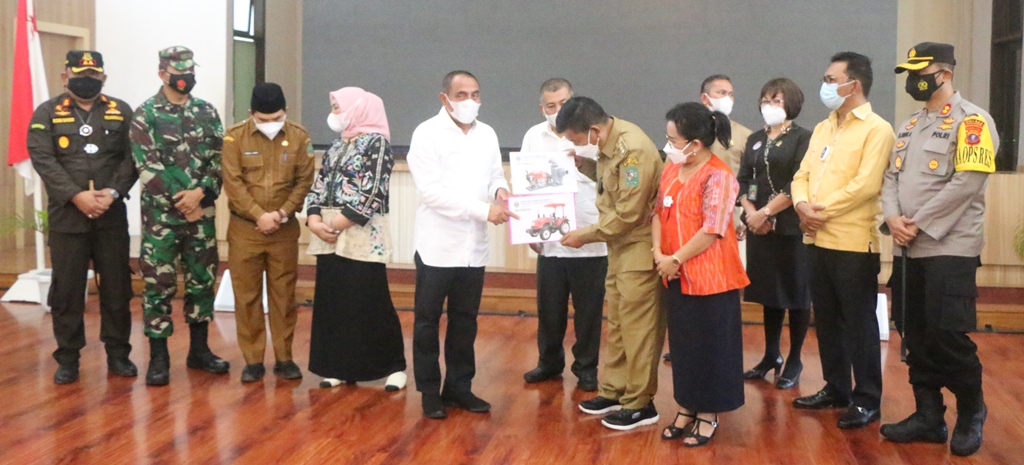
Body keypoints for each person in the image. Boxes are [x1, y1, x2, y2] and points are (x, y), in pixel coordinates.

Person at [879, 42, 998, 457]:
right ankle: (928, 415)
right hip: (908, 247)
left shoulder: (973, 122)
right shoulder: (910, 125)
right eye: (910, 74)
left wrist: (918, 222)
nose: (914, 80)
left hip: (950, 246)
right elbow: (890, 178)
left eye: (920, 72)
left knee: (947, 334)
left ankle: (971, 411)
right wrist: (893, 218)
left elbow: (967, 183)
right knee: (914, 331)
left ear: (944, 74)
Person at [790, 52, 894, 429]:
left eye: (831, 80)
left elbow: (866, 185)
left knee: (858, 323)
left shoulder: (877, 129)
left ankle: (867, 398)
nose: (826, 86)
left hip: (852, 243)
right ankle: (836, 388)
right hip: (815, 239)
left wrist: (818, 211)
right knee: (827, 319)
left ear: (855, 84)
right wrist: (801, 205)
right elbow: (801, 175)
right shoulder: (823, 127)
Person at [407, 71, 517, 419]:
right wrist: (484, 211)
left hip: (473, 248)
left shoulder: (487, 133)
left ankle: (459, 387)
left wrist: (500, 191)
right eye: (461, 94)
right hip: (437, 246)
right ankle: (429, 391)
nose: (470, 101)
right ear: (445, 98)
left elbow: (494, 174)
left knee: (465, 321)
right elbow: (432, 193)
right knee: (427, 322)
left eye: (475, 94)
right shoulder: (426, 133)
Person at [27, 50, 137, 384]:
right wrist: (77, 196)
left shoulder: (121, 111)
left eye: (93, 75)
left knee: (117, 288)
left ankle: (118, 353)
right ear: (66, 77)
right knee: (67, 291)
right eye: (79, 75)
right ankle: (68, 358)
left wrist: (112, 192)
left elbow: (133, 157)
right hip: (68, 218)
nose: (86, 80)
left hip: (110, 215)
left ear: (103, 78)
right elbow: (43, 159)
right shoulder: (47, 112)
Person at [557, 96, 664, 431]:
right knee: (617, 324)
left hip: (638, 246)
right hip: (619, 248)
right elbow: (611, 183)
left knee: (639, 329)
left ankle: (640, 403)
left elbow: (629, 213)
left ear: (593, 130)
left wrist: (585, 235)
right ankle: (615, 391)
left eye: (576, 139)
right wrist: (586, 165)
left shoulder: (633, 149)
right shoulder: (609, 143)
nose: (577, 144)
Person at [130, 46, 228, 386]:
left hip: (201, 214)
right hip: (161, 219)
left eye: (189, 71)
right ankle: (159, 358)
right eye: (178, 72)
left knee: (202, 281)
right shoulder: (146, 114)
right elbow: (147, 166)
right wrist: (183, 202)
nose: (185, 78)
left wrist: (201, 193)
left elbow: (219, 160)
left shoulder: (206, 111)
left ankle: (199, 351)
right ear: (162, 74)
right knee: (158, 285)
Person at [654, 102, 748, 446]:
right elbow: (657, 211)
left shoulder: (718, 175)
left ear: (695, 143)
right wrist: (659, 253)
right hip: (674, 273)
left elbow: (712, 228)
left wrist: (676, 258)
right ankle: (686, 407)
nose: (668, 146)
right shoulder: (671, 168)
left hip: (711, 278)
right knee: (683, 346)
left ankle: (708, 413)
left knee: (712, 347)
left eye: (673, 140)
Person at [304, 87, 407, 391]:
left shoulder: (377, 143)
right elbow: (319, 185)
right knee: (335, 300)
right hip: (329, 235)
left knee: (370, 300)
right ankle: (339, 366)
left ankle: (393, 367)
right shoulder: (337, 145)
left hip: (360, 233)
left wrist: (336, 224)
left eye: (337, 107)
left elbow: (373, 191)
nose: (333, 113)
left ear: (357, 109)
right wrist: (313, 219)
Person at [221, 83, 315, 382]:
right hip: (245, 229)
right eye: (263, 119)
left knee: (284, 296)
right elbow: (233, 183)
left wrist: (281, 213)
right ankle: (253, 361)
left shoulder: (299, 136)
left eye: (277, 118)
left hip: (283, 230)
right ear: (251, 113)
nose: (271, 123)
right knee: (246, 297)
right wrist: (259, 215)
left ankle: (285, 358)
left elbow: (304, 182)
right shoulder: (234, 137)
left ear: (285, 111)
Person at [520, 78, 608, 392]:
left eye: (563, 103)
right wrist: (530, 229)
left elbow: (608, 180)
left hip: (590, 236)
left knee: (588, 311)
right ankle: (549, 362)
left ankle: (586, 368)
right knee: (549, 308)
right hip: (550, 240)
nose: (557, 110)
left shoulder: (592, 136)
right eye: (551, 105)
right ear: (541, 108)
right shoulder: (533, 136)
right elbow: (526, 185)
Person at [737, 78, 813, 390]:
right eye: (766, 100)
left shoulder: (803, 138)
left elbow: (799, 181)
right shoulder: (755, 139)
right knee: (770, 293)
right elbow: (744, 180)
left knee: (796, 292)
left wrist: (767, 212)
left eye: (777, 100)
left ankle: (794, 358)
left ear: (791, 103)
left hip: (791, 227)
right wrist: (751, 212)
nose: (769, 106)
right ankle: (771, 354)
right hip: (759, 227)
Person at [700, 74, 753, 176]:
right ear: (704, 98)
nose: (727, 98)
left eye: (731, 94)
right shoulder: (687, 130)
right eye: (722, 93)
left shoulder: (744, 134)